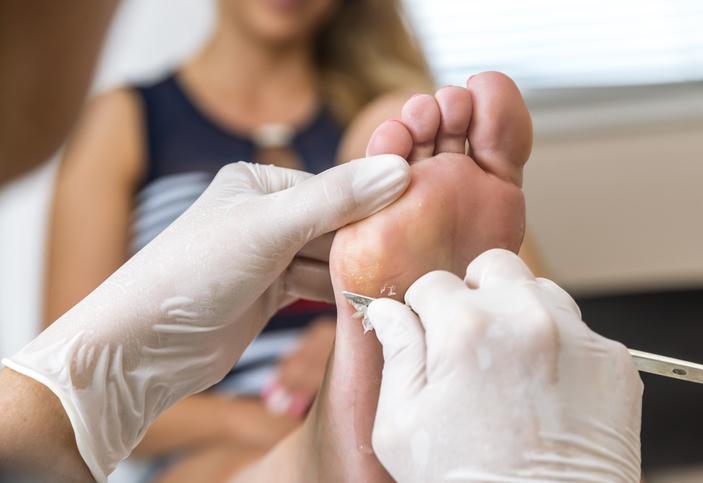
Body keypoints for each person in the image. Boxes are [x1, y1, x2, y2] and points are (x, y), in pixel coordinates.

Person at [0, 3, 643, 483]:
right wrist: (241, 420)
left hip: (393, 378)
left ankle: (365, 380)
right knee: (219, 466)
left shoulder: (381, 110)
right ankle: (338, 438)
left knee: (391, 132)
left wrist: (345, 335)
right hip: (205, 426)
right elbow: (72, 334)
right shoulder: (125, 120)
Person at [43, 0, 433, 473]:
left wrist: (354, 340)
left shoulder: (384, 121)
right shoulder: (123, 121)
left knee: (412, 155)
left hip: (377, 400)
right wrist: (249, 422)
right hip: (214, 448)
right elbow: (66, 386)